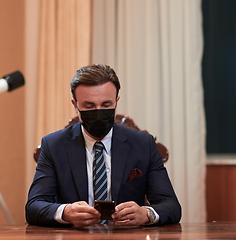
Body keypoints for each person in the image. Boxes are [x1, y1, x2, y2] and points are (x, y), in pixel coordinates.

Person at [25, 64, 181, 228]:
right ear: (75, 105)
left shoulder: (143, 144)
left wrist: (146, 214)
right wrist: (65, 212)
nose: (98, 112)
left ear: (116, 102)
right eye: (89, 106)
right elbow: (34, 206)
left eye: (106, 105)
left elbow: (171, 206)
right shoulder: (54, 145)